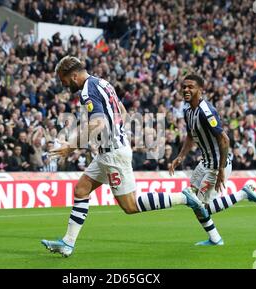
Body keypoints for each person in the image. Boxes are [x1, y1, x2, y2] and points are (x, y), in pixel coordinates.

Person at [41, 56, 205, 257]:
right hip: (108, 152)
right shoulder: (103, 83)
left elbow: (98, 123)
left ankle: (183, 197)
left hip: (112, 155)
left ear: (73, 76)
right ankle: (67, 242)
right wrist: (118, 134)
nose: (63, 84)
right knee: (82, 188)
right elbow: (122, 111)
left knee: (130, 206)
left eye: (63, 80)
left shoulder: (87, 91)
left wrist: (71, 146)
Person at [169, 74, 256, 246]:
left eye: (190, 86)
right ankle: (215, 239)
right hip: (204, 163)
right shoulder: (188, 112)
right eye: (184, 87)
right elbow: (191, 137)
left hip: (216, 166)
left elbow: (224, 139)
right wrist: (180, 156)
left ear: (200, 90)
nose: (186, 90)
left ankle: (243, 194)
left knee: (201, 206)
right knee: (193, 202)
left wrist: (221, 169)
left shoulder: (206, 111)